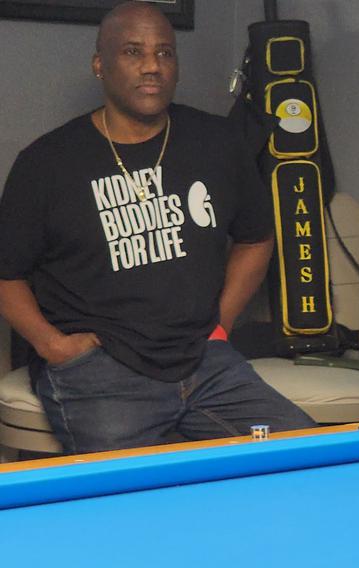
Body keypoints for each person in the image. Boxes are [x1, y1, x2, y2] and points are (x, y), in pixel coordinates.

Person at [0, 1, 316, 454]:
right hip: (100, 370)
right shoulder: (46, 163)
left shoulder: (218, 143)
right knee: (130, 491)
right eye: (133, 52)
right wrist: (54, 346)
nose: (152, 66)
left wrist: (220, 323)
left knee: (304, 455)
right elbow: (7, 273)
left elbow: (256, 238)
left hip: (206, 361)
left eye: (165, 53)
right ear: (100, 65)